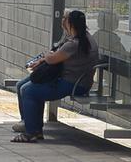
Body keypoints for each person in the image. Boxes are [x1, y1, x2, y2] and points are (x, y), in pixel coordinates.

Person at [12, 10, 100, 143]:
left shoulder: (74, 44)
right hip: (75, 80)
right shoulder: (85, 38)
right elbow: (57, 56)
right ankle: (33, 127)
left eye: (65, 18)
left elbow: (52, 58)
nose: (62, 20)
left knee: (29, 91)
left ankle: (31, 132)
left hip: (73, 84)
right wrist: (47, 58)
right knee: (24, 86)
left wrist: (46, 55)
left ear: (71, 23)